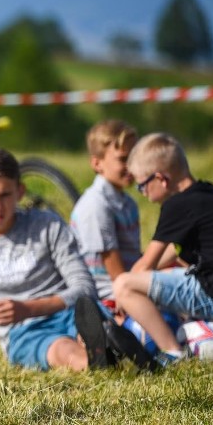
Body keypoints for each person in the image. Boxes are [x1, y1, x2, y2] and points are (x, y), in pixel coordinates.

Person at [0, 147, 120, 371]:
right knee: (59, 349)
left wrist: (27, 308)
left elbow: (85, 288)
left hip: (72, 312)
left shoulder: (47, 224)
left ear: (20, 192)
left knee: (93, 322)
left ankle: (106, 344)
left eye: (5, 195)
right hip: (23, 331)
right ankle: (97, 360)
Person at [112, 132, 213, 366]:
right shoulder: (210, 193)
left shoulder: (176, 205)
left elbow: (145, 265)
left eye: (142, 186)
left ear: (160, 178)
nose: (143, 194)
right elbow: (172, 252)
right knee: (155, 279)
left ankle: (172, 353)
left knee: (123, 284)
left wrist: (121, 298)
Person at [70, 119, 142, 314]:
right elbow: (116, 274)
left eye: (134, 159)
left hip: (128, 283)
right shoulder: (95, 205)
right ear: (97, 163)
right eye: (123, 159)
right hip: (108, 298)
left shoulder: (128, 203)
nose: (131, 166)